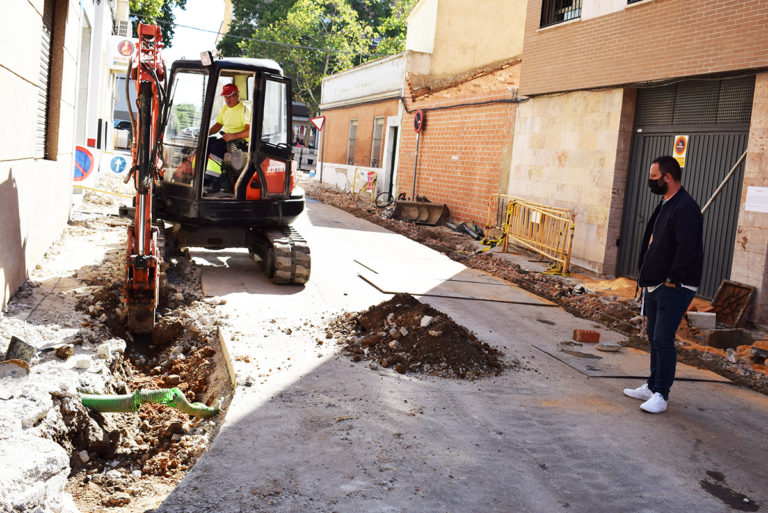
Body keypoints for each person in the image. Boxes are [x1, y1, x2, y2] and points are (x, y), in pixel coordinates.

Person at [623, 156, 703, 414]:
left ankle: (661, 394)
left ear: (667, 178)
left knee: (663, 339)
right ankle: (652, 384)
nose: (650, 181)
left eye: (653, 177)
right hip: (656, 284)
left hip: (674, 286)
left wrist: (671, 279)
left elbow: (687, 249)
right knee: (653, 336)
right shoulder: (666, 203)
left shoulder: (686, 207)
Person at [204, 83, 250, 192]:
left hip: (239, 141)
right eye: (225, 97)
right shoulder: (225, 108)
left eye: (230, 96)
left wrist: (233, 136)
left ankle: (213, 182)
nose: (227, 100)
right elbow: (218, 125)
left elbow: (249, 131)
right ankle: (203, 178)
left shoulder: (244, 109)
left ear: (237, 95)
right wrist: (205, 134)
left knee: (215, 148)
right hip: (227, 138)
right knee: (206, 144)